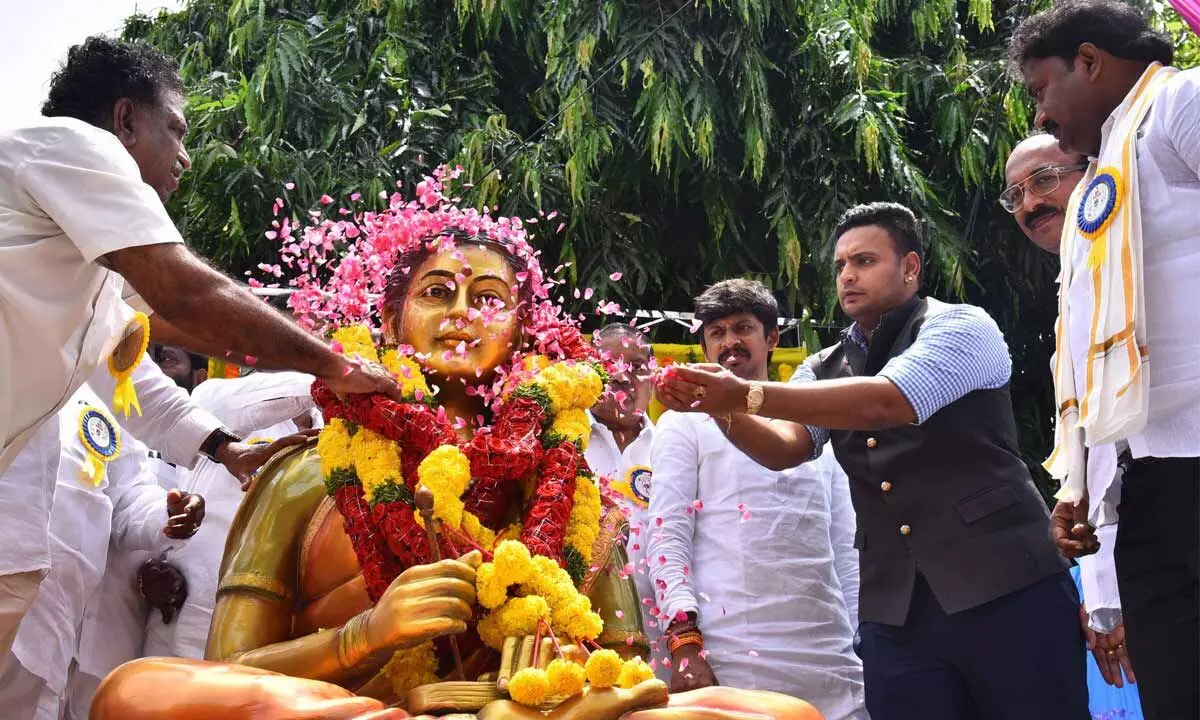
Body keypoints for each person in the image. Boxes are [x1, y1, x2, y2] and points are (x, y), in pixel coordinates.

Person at [0, 35, 402, 659]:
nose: (184, 157)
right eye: (177, 131)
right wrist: (334, 364)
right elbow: (189, 296)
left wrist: (224, 449)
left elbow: (132, 369)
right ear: (124, 119)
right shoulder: (73, 145)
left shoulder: (94, 267)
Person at [659, 203, 1087, 720]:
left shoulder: (962, 326)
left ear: (910, 267)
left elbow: (888, 401)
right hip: (896, 610)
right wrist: (720, 408)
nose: (847, 276)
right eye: (840, 265)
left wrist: (744, 394)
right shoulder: (824, 365)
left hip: (1005, 584)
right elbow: (786, 448)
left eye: (864, 261)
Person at [1010, 2, 1200, 716]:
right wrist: (1080, 485)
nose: (1041, 117)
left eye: (1040, 90)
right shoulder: (1100, 179)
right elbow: (1091, 357)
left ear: (1088, 62)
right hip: (1149, 484)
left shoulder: (1180, 102)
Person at [648, 279, 866, 719]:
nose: (730, 342)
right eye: (716, 332)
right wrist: (685, 642)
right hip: (732, 648)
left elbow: (846, 547)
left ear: (771, 338)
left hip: (829, 650)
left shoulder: (814, 424)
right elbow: (667, 535)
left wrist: (866, 639)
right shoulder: (683, 424)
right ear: (705, 347)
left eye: (743, 328)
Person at [1003, 134, 1143, 717]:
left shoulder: (1135, 260)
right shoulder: (1074, 289)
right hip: (1127, 548)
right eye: (1014, 194)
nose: (1028, 205)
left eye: (1043, 180)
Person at [0, 384, 204, 720]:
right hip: (16, 605)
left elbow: (129, 495)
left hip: (66, 628)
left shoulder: (102, 396)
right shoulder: (16, 371)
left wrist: (166, 516)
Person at [584, 323, 663, 673]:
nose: (621, 377)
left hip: (663, 640)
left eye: (635, 366)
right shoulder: (563, 437)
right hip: (578, 636)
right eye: (609, 364)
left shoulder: (672, 447)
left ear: (654, 371)